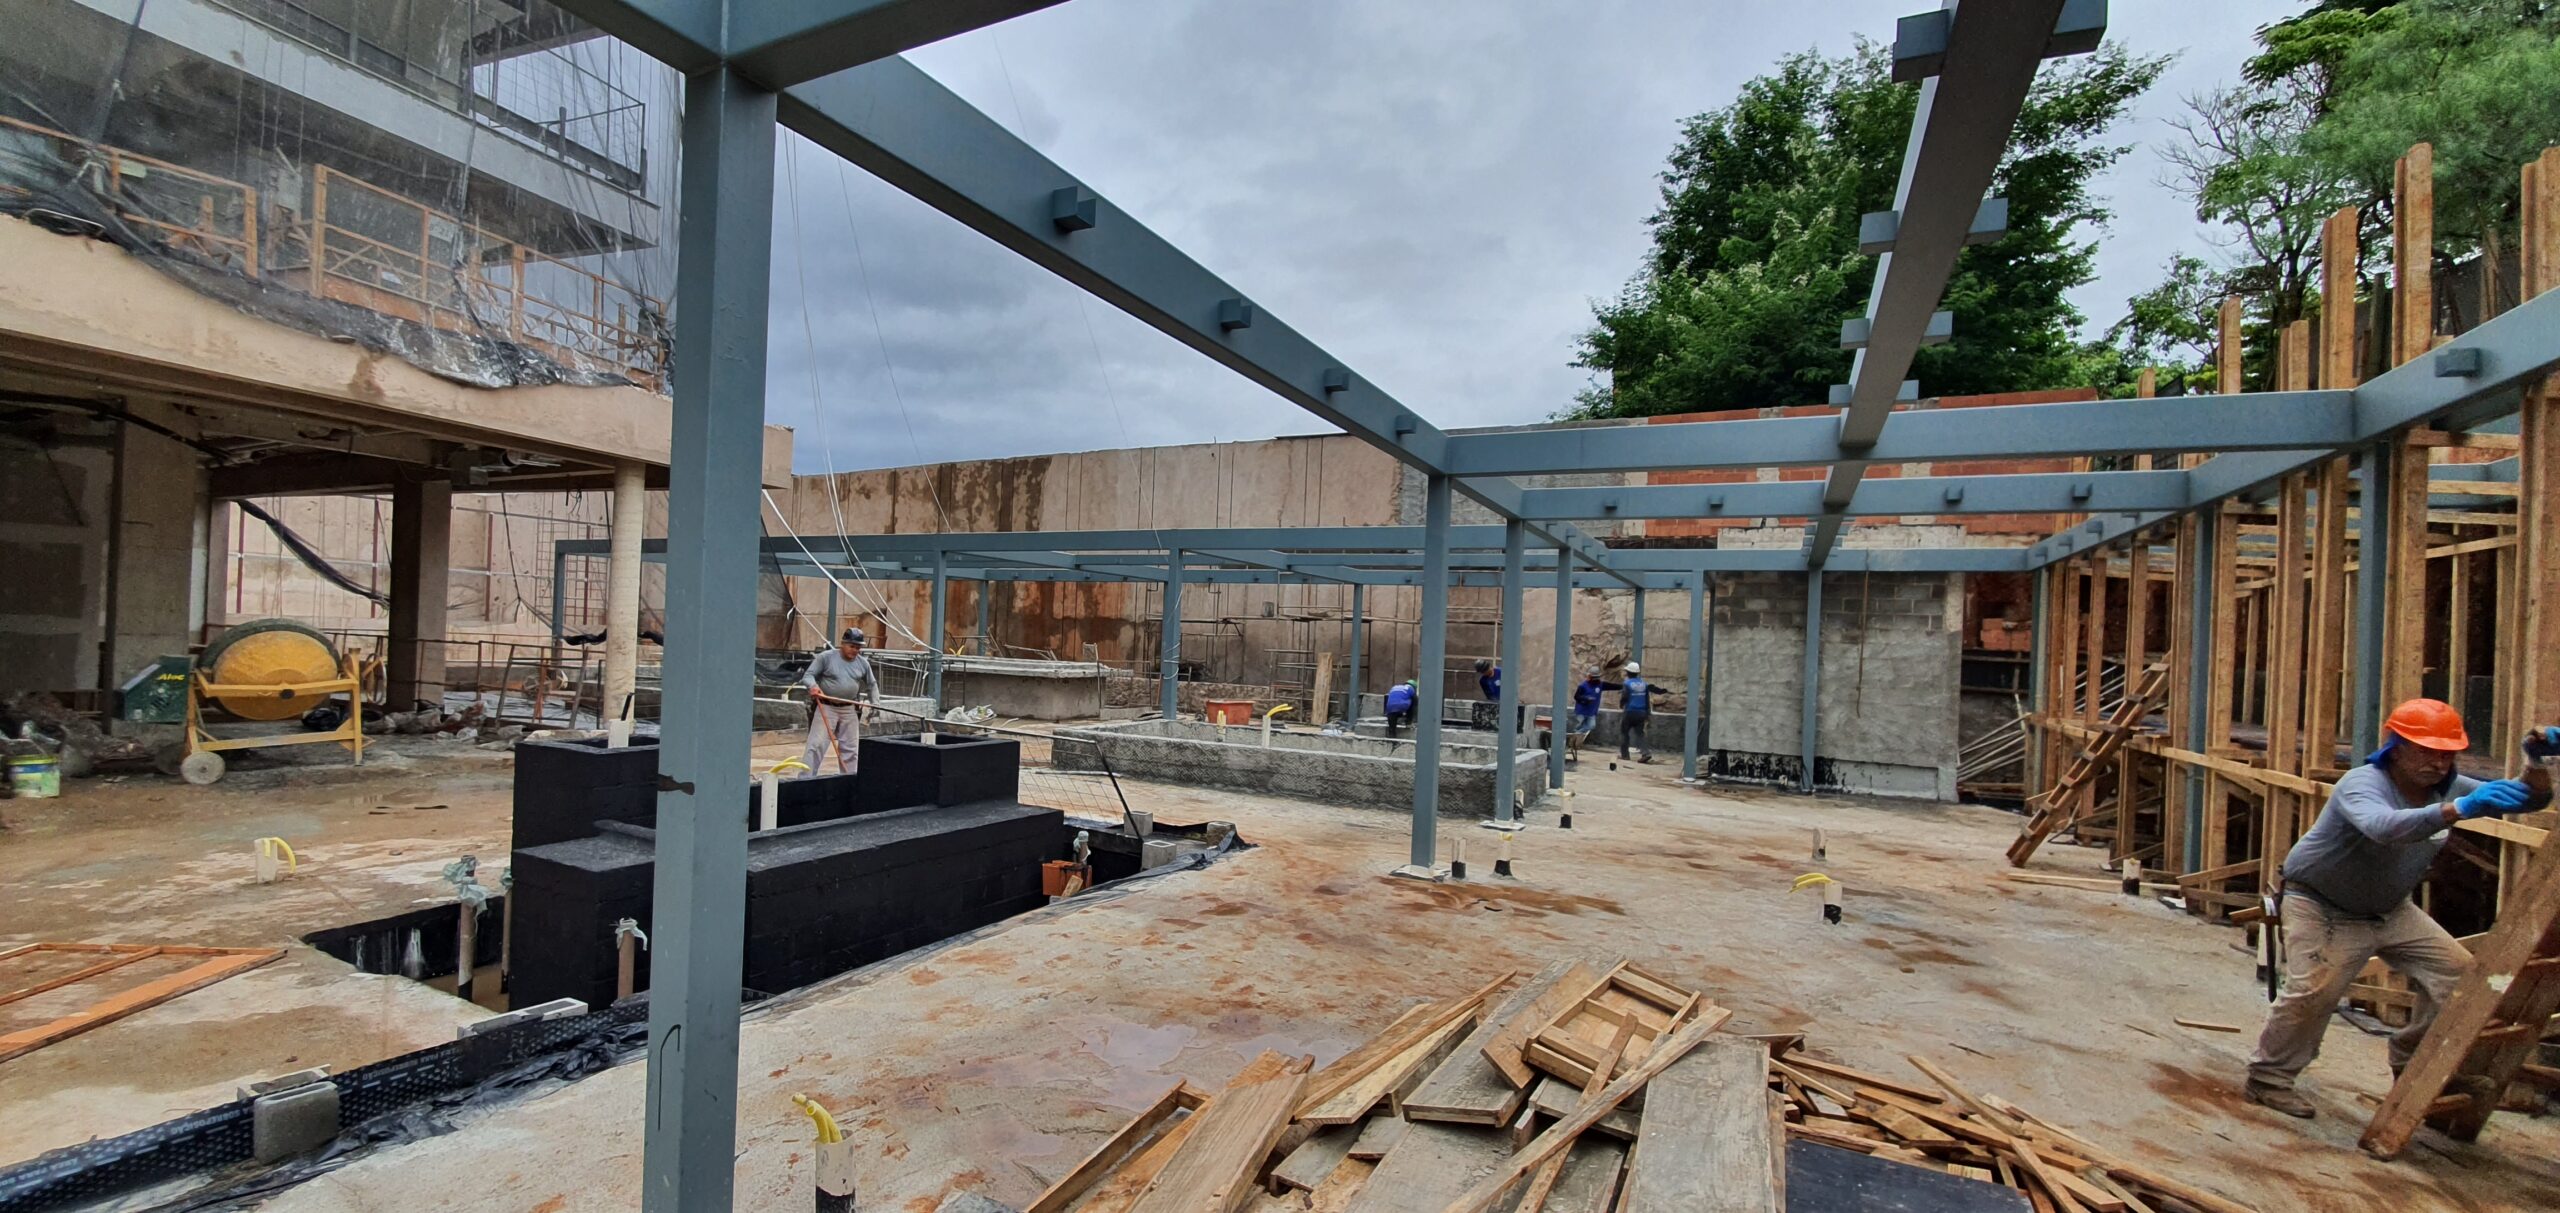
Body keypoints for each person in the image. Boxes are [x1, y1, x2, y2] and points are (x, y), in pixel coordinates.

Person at [2241, 702, 2556, 1119]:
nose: (2438, 762)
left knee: (2462, 980)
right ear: (2397, 747)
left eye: (2446, 754)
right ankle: (2269, 1079)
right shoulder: (2362, 783)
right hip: (2323, 906)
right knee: (2314, 992)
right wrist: (2458, 809)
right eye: (2427, 751)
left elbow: (2529, 800)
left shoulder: (2450, 787)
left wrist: (2536, 763)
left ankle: (2411, 1064)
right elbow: (2384, 827)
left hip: (2391, 910)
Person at [799, 628, 880, 775]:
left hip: (849, 708)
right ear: (843, 644)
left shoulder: (863, 663)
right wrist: (813, 686)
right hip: (826, 706)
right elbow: (808, 676)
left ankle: (849, 780)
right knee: (816, 745)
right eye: (852, 646)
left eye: (858, 647)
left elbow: (872, 684)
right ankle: (805, 779)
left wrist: (875, 702)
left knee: (851, 749)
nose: (855, 650)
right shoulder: (826, 658)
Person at [1568, 668, 1610, 762]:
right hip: (1581, 711)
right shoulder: (1583, 686)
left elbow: (1612, 686)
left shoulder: (1600, 685)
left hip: (1591, 712)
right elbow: (1577, 697)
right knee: (1579, 725)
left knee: (1591, 725)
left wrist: (1623, 686)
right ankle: (1573, 743)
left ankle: (1575, 737)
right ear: (1589, 676)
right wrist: (1586, 699)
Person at [1616, 661, 1653, 763]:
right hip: (1641, 712)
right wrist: (1648, 714)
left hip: (1630, 711)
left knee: (1624, 733)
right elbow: (1647, 699)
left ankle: (1625, 755)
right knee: (1640, 734)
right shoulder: (1644, 684)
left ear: (1628, 673)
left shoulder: (1627, 684)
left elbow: (1625, 696)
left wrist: (1621, 704)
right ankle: (1646, 753)